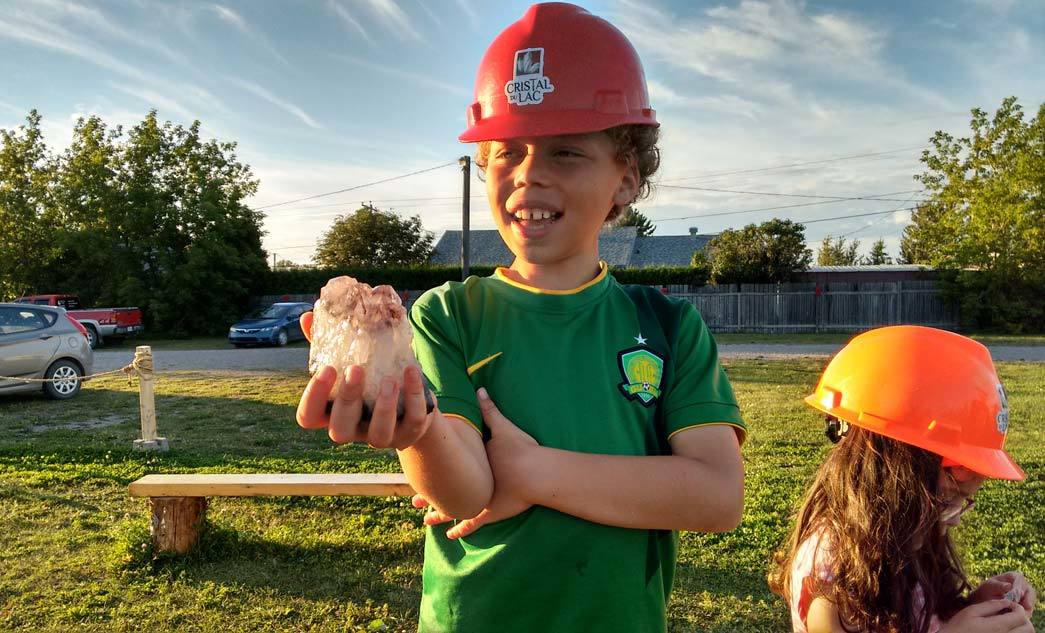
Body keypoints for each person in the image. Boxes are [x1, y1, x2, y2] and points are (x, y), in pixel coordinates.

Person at [297, 3, 746, 630]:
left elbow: (717, 497)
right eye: (507, 152)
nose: (529, 175)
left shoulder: (669, 326)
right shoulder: (447, 314)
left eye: (566, 153)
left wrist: (535, 472)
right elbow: (467, 495)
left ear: (627, 178)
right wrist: (418, 431)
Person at [769, 326, 1037, 633]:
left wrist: (972, 609)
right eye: (947, 499)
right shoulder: (835, 577)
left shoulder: (900, 537)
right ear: (892, 475)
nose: (954, 520)